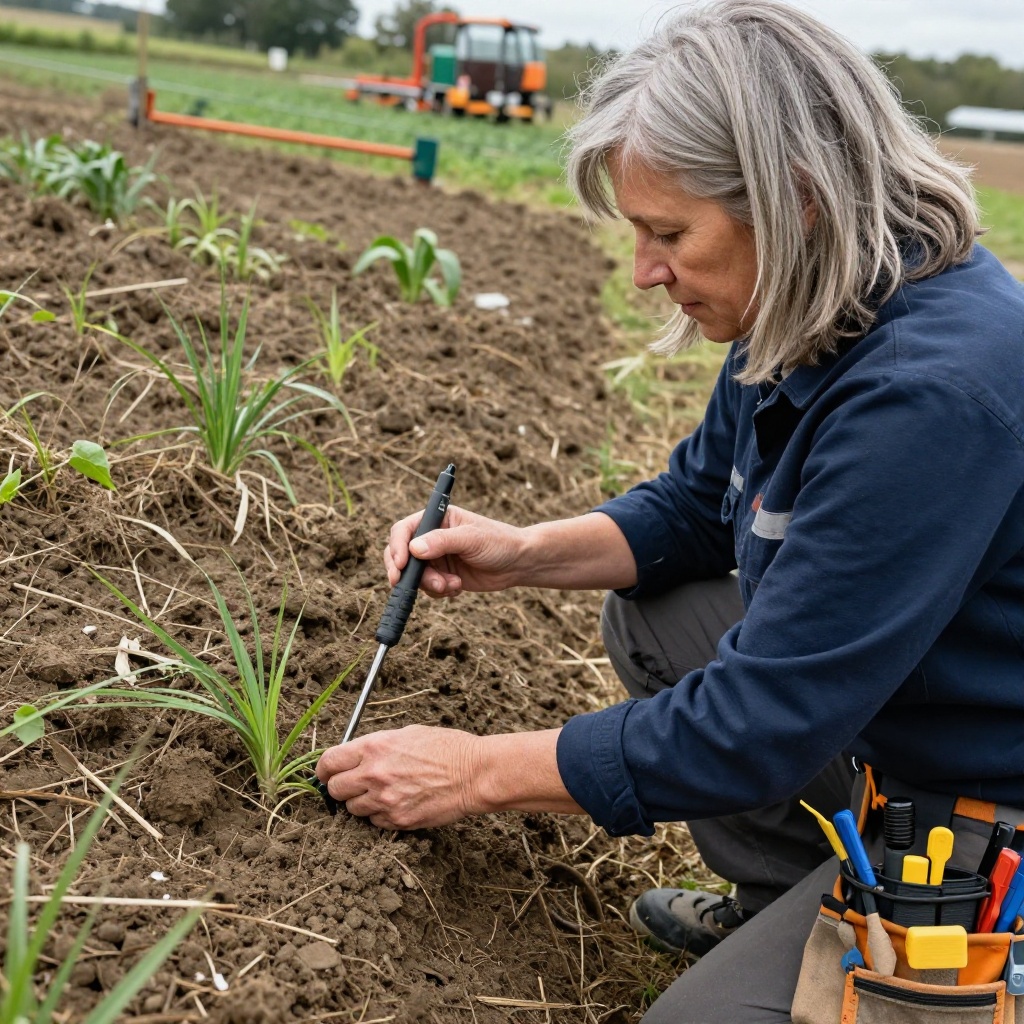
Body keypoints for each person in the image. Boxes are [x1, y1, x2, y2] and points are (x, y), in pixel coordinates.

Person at [316, 1, 1024, 1019]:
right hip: (886, 731)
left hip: (983, 810)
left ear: (793, 200)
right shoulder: (803, 295)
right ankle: (788, 899)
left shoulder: (929, 395)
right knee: (657, 607)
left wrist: (473, 771)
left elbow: (754, 725)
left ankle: (881, 941)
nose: (645, 271)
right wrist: (519, 552)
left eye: (667, 233)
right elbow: (699, 508)